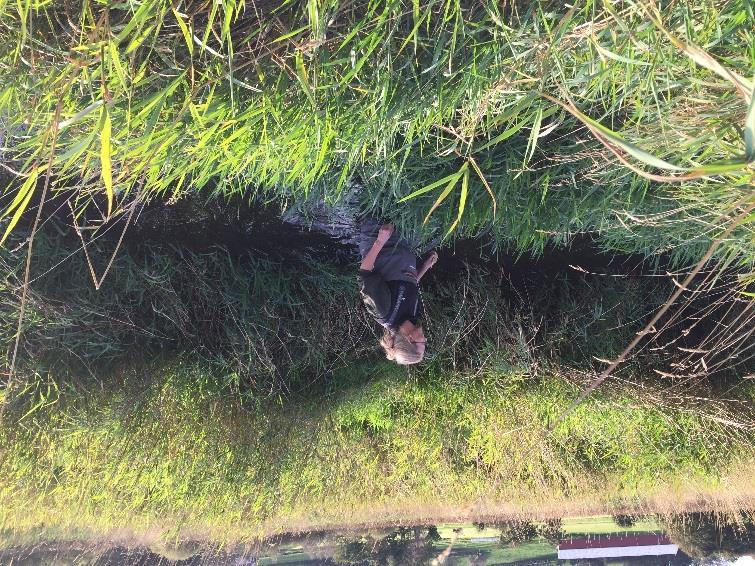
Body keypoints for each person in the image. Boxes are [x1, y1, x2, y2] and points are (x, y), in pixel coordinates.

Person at [357, 218, 438, 364]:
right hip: (403, 241)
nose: (425, 340)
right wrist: (425, 267)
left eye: (423, 344)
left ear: (410, 339)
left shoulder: (383, 312)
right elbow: (405, 290)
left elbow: (364, 273)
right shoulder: (412, 317)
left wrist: (380, 240)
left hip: (379, 234)